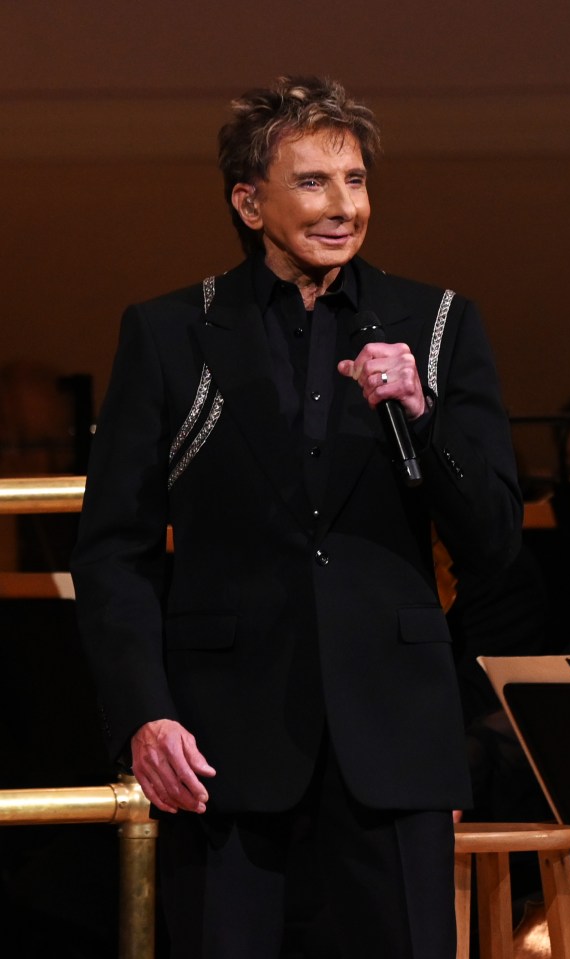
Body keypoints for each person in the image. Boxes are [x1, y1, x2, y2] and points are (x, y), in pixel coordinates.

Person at [71, 75, 522, 959]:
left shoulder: (436, 326)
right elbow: (113, 549)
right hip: (221, 749)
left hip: (393, 745)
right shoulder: (170, 334)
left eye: (355, 181)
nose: (344, 206)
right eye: (314, 182)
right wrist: (144, 712)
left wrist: (425, 419)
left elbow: (496, 540)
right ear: (249, 202)